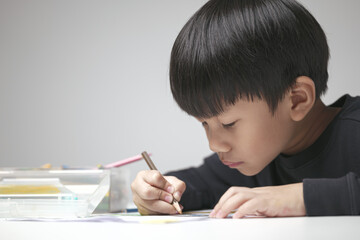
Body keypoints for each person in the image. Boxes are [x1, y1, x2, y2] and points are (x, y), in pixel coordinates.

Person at [131, 0, 360, 218]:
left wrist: (298, 197)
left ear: (297, 100)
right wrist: (158, 192)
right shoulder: (260, 155)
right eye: (204, 123)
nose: (214, 144)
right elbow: (199, 183)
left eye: (229, 123)